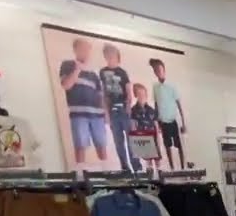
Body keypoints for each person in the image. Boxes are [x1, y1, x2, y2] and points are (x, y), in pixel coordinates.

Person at [58, 38, 107, 166]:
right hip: (78, 114)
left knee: (101, 144)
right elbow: (66, 85)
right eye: (82, 49)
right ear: (75, 50)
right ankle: (81, 174)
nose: (86, 52)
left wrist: (105, 114)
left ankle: (106, 171)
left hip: (97, 115)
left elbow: (100, 95)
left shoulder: (93, 73)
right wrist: (77, 70)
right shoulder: (67, 65)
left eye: (87, 49)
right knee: (80, 145)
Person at [99, 43, 139, 172]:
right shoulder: (103, 72)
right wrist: (106, 114)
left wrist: (128, 108)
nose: (111, 58)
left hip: (123, 109)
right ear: (105, 56)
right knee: (118, 142)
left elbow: (128, 93)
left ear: (117, 57)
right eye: (108, 55)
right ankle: (125, 167)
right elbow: (103, 94)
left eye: (113, 55)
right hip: (112, 111)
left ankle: (136, 166)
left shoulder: (122, 72)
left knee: (130, 139)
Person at [148, 58, 186, 169]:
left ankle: (183, 167)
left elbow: (179, 104)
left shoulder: (172, 86)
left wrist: (183, 123)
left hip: (173, 120)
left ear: (164, 70)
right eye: (156, 70)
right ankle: (172, 168)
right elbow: (156, 105)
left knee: (179, 145)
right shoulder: (155, 87)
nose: (158, 72)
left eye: (159, 69)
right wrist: (157, 123)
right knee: (167, 145)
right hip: (163, 121)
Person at [129, 84, 161, 172]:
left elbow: (156, 125)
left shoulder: (151, 110)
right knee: (148, 160)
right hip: (143, 138)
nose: (142, 96)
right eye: (139, 94)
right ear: (136, 95)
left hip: (153, 137)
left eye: (143, 94)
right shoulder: (133, 110)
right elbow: (133, 126)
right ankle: (150, 175)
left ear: (146, 95)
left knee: (157, 158)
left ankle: (159, 173)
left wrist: (158, 139)